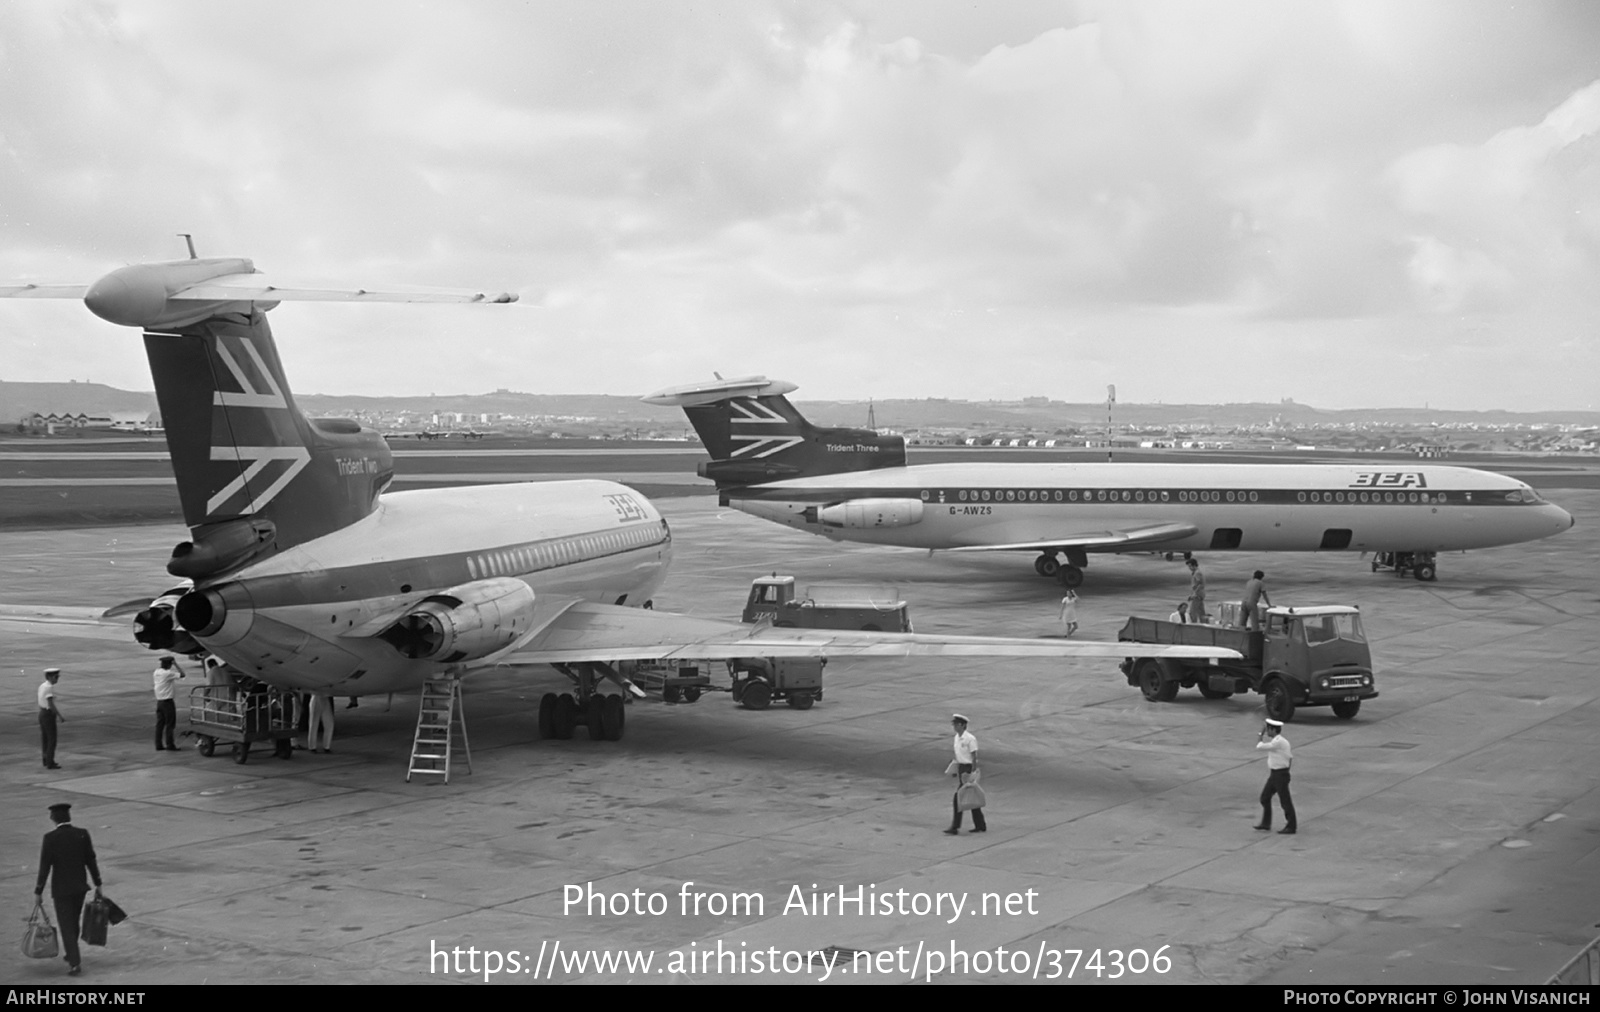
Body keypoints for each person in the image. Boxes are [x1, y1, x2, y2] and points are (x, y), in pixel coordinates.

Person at [35, 803, 102, 976]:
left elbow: (45, 866)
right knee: (73, 921)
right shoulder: (82, 834)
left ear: (53, 818)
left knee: (66, 925)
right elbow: (91, 860)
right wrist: (98, 883)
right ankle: (71, 953)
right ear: (69, 817)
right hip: (80, 887)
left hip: (61, 889)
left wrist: (38, 890)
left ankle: (74, 963)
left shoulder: (50, 838)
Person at [944, 714, 987, 835]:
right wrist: (954, 769)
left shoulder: (970, 739)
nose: (954, 727)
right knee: (970, 796)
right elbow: (958, 755)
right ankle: (980, 825)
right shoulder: (957, 737)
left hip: (968, 769)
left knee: (958, 798)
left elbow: (974, 757)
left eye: (956, 724)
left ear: (962, 725)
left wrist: (972, 772)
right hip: (961, 767)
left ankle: (955, 827)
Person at [1254, 718, 1296, 835]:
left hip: (1280, 774)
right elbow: (1290, 758)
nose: (1267, 732)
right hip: (1275, 774)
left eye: (1268, 729)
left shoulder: (1278, 742)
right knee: (1265, 797)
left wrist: (1260, 733)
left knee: (1285, 801)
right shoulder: (1278, 741)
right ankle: (1266, 823)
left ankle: (1291, 826)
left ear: (1273, 730)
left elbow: (1259, 746)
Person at [152, 655, 186, 751]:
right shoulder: (167, 674)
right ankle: (170, 744)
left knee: (160, 724)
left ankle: (158, 744)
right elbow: (182, 674)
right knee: (170, 724)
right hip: (167, 702)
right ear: (169, 665)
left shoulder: (156, 672)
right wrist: (176, 664)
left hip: (159, 701)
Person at [38, 668, 64, 770]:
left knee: (45, 738)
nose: (57, 679)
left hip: (42, 713)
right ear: (49, 677)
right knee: (52, 739)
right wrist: (59, 716)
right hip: (48, 714)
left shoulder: (42, 686)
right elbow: (51, 704)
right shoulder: (48, 688)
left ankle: (45, 759)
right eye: (55, 677)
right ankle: (50, 762)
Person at [1186, 557, 1208, 624]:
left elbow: (1201, 584)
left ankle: (1193, 625)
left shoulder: (1197, 573)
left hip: (1197, 595)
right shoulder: (1195, 573)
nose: (1189, 568)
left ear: (1194, 565)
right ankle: (1204, 624)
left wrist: (1194, 594)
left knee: (1193, 612)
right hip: (1199, 595)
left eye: (1190, 566)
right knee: (1201, 612)